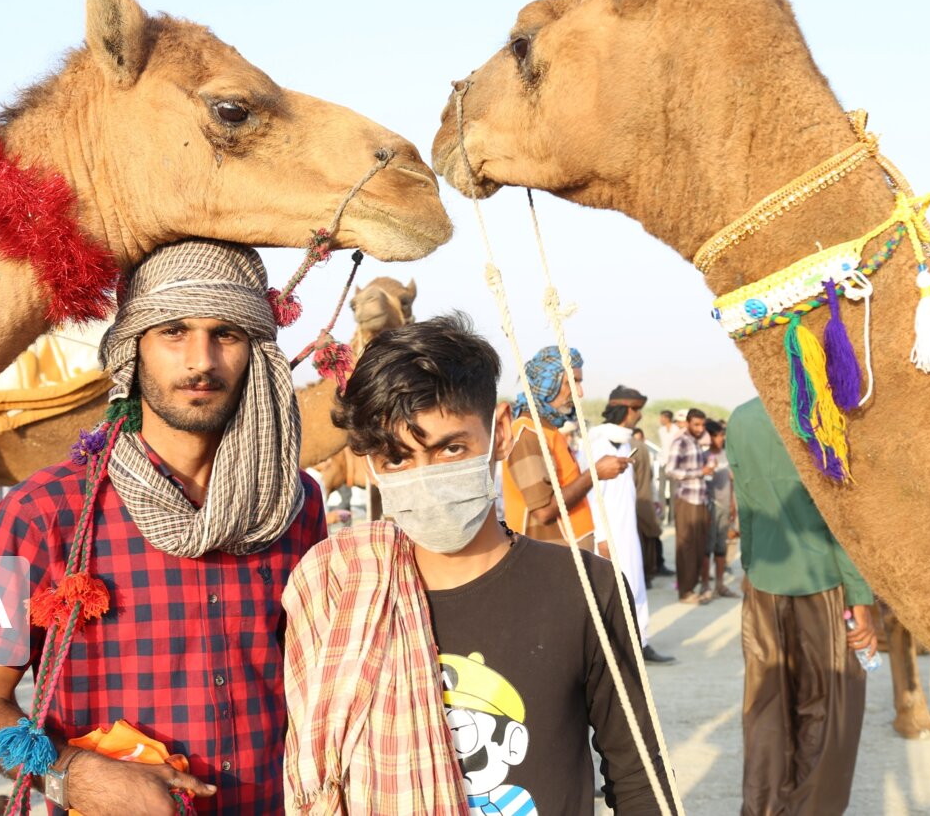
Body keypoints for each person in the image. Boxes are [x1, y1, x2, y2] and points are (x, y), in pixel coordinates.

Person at [0, 241, 328, 814]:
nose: (201, 360)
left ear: (256, 352)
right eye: (173, 331)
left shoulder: (292, 504)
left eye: (226, 333)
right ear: (134, 350)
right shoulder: (40, 511)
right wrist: (73, 778)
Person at [283, 315, 673, 815]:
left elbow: (639, 776)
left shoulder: (582, 589)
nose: (425, 478)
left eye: (451, 448)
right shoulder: (338, 587)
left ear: (500, 434)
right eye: (397, 458)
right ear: (372, 464)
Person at [727, 397, 876, 815]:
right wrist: (860, 597)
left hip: (764, 582)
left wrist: (750, 566)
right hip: (824, 583)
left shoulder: (742, 418)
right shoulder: (822, 414)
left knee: (765, 711)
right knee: (829, 711)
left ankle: (764, 808)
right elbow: (843, 517)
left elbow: (747, 504)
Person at [502, 346, 624, 550]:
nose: (580, 392)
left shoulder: (546, 430)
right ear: (548, 384)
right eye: (572, 382)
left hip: (565, 556)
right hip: (548, 560)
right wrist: (594, 474)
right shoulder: (527, 433)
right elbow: (544, 511)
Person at [588, 386, 675, 665]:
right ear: (627, 410)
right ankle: (616, 653)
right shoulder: (597, 443)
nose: (639, 416)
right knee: (612, 593)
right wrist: (601, 537)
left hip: (628, 531)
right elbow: (591, 495)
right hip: (608, 534)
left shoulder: (625, 443)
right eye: (637, 410)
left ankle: (641, 642)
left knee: (636, 586)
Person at [665, 408, 714, 604]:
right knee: (686, 546)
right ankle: (685, 591)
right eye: (696, 424)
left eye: (702, 425)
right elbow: (671, 470)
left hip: (700, 500)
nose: (700, 428)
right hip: (687, 500)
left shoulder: (696, 442)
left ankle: (692, 588)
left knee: (698, 546)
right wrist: (699, 471)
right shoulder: (681, 441)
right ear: (687, 423)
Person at [629, 428, 671, 584]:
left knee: (651, 536)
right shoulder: (633, 452)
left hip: (644, 502)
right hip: (635, 504)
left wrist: (654, 501)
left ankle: (651, 571)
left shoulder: (643, 452)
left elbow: (649, 482)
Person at [703, 420, 739, 599]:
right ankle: (705, 586)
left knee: (721, 547)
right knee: (706, 547)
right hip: (710, 506)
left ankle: (720, 585)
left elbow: (731, 481)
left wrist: (733, 504)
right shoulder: (703, 456)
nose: (720, 438)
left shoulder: (727, 455)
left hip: (726, 506)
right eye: (716, 435)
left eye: (721, 435)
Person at [654, 410, 679, 520]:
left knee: (674, 493)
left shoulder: (676, 430)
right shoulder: (661, 430)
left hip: (674, 464)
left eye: (662, 417)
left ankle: (672, 517)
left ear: (667, 418)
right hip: (663, 462)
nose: (660, 420)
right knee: (661, 491)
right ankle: (662, 516)